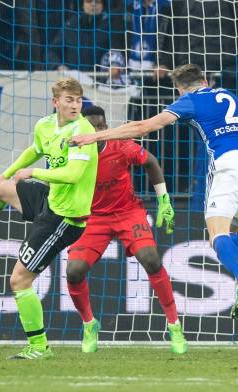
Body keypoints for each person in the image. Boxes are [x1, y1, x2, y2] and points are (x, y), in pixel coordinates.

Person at [71, 64, 238, 320]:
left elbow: (143, 127)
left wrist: (96, 137)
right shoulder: (229, 95)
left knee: (217, 235)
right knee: (231, 232)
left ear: (178, 89)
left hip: (229, 164)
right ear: (206, 79)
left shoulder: (190, 101)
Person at [0, 77, 98, 359]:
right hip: (50, 201)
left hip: (65, 219)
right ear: (56, 102)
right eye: (69, 100)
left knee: (19, 281)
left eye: (78, 100)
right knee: (2, 188)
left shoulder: (82, 131)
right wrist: (9, 170)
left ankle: (39, 347)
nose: (75, 105)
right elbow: (34, 150)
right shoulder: (45, 125)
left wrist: (34, 173)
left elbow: (73, 176)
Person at [66, 105, 187, 354]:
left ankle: (175, 326)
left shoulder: (121, 145)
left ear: (106, 128)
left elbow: (151, 162)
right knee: (74, 271)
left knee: (151, 260)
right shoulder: (73, 153)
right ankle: (90, 324)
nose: (98, 131)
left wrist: (163, 199)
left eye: (101, 127)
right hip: (92, 217)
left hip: (127, 212)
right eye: (93, 127)